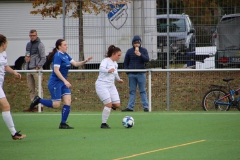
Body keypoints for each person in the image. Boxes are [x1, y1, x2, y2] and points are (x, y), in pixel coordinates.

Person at [24, 39, 92, 129]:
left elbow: (75, 64)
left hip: (63, 82)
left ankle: (63, 123)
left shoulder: (66, 55)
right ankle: (38, 100)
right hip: (55, 83)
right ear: (59, 46)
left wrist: (85, 61)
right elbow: (56, 70)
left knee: (68, 101)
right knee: (56, 104)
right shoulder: (58, 56)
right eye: (64, 45)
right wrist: (65, 81)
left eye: (66, 44)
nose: (66, 46)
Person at [0, 34, 26, 140]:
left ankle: (14, 133)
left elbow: (5, 66)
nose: (7, 45)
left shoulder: (4, 53)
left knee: (5, 107)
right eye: (6, 43)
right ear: (3, 44)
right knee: (6, 107)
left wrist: (14, 72)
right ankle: (14, 133)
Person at [95, 45, 123, 129]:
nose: (119, 57)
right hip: (102, 85)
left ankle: (109, 106)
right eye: (118, 55)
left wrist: (119, 79)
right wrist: (108, 70)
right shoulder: (106, 61)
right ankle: (103, 124)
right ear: (113, 54)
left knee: (117, 104)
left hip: (111, 86)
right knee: (108, 104)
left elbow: (115, 73)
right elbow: (101, 69)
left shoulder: (115, 64)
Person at [122, 35, 149, 112]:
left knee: (142, 90)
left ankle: (145, 107)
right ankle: (130, 107)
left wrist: (140, 55)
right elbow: (126, 62)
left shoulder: (143, 50)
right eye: (135, 43)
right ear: (133, 43)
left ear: (140, 43)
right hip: (132, 74)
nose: (136, 44)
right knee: (132, 91)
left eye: (138, 43)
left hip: (141, 73)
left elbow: (147, 59)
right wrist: (128, 72)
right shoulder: (129, 51)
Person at [24, 29, 46, 112]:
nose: (32, 37)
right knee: (31, 88)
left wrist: (38, 66)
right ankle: (33, 105)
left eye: (33, 35)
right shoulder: (28, 45)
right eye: (31, 35)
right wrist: (26, 59)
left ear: (36, 35)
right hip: (29, 69)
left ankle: (41, 106)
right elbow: (26, 55)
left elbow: (43, 58)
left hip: (36, 69)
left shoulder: (40, 45)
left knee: (38, 88)